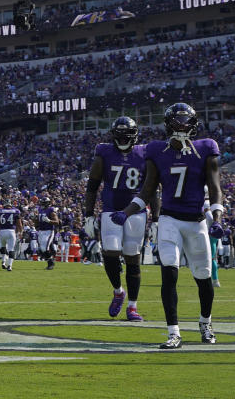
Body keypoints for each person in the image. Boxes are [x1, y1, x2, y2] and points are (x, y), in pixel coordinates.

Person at [114, 103, 223, 349]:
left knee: (204, 278)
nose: (182, 125)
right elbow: (147, 190)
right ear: (169, 124)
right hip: (169, 220)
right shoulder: (156, 151)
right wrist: (127, 212)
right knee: (169, 275)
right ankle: (173, 332)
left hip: (196, 223)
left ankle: (205, 323)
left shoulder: (206, 148)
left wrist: (217, 219)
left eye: (186, 121)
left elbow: (215, 188)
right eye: (178, 121)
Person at [84, 116, 148, 321]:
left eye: (125, 135)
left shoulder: (144, 154)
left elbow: (152, 188)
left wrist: (156, 217)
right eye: (118, 135)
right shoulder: (104, 154)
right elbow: (92, 186)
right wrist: (88, 215)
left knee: (132, 256)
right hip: (110, 209)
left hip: (136, 211)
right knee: (110, 252)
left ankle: (133, 306)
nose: (122, 139)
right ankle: (119, 291)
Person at [0, 194, 22, 272]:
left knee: (3, 247)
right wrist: (20, 232)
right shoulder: (16, 211)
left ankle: (3, 261)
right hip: (11, 231)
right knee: (11, 249)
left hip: (2, 231)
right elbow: (19, 223)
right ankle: (10, 265)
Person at [36, 197, 61, 270]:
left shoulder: (51, 210)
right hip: (41, 231)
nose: (42, 204)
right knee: (41, 249)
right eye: (42, 202)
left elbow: (57, 222)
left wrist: (49, 221)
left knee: (44, 248)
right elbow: (38, 221)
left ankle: (51, 263)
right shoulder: (40, 209)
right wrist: (35, 219)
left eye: (44, 203)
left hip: (48, 231)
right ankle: (50, 261)